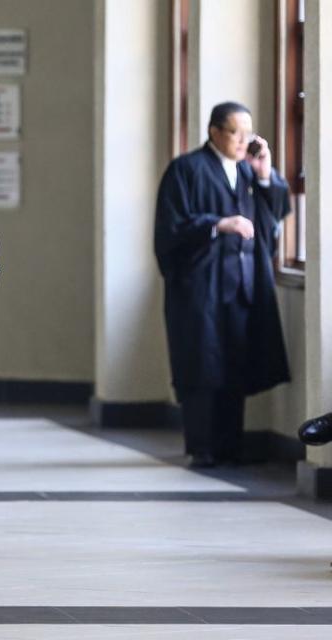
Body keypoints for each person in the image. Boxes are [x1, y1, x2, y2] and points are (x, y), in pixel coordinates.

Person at [154, 101, 291, 468]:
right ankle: (202, 447)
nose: (243, 140)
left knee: (236, 364)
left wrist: (264, 175)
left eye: (248, 133)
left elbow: (274, 216)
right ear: (215, 131)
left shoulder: (248, 173)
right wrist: (217, 224)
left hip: (242, 285)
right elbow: (171, 227)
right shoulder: (187, 169)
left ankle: (231, 445)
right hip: (202, 287)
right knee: (203, 364)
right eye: (235, 132)